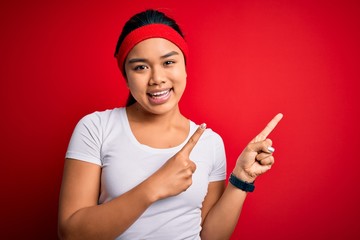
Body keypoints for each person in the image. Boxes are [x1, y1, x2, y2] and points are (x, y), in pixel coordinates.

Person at [58, 9, 283, 240]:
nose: (157, 78)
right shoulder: (96, 128)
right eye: (140, 67)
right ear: (126, 76)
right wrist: (154, 187)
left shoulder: (210, 142)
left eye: (168, 62)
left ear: (184, 68)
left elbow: (211, 236)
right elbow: (71, 233)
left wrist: (242, 179)